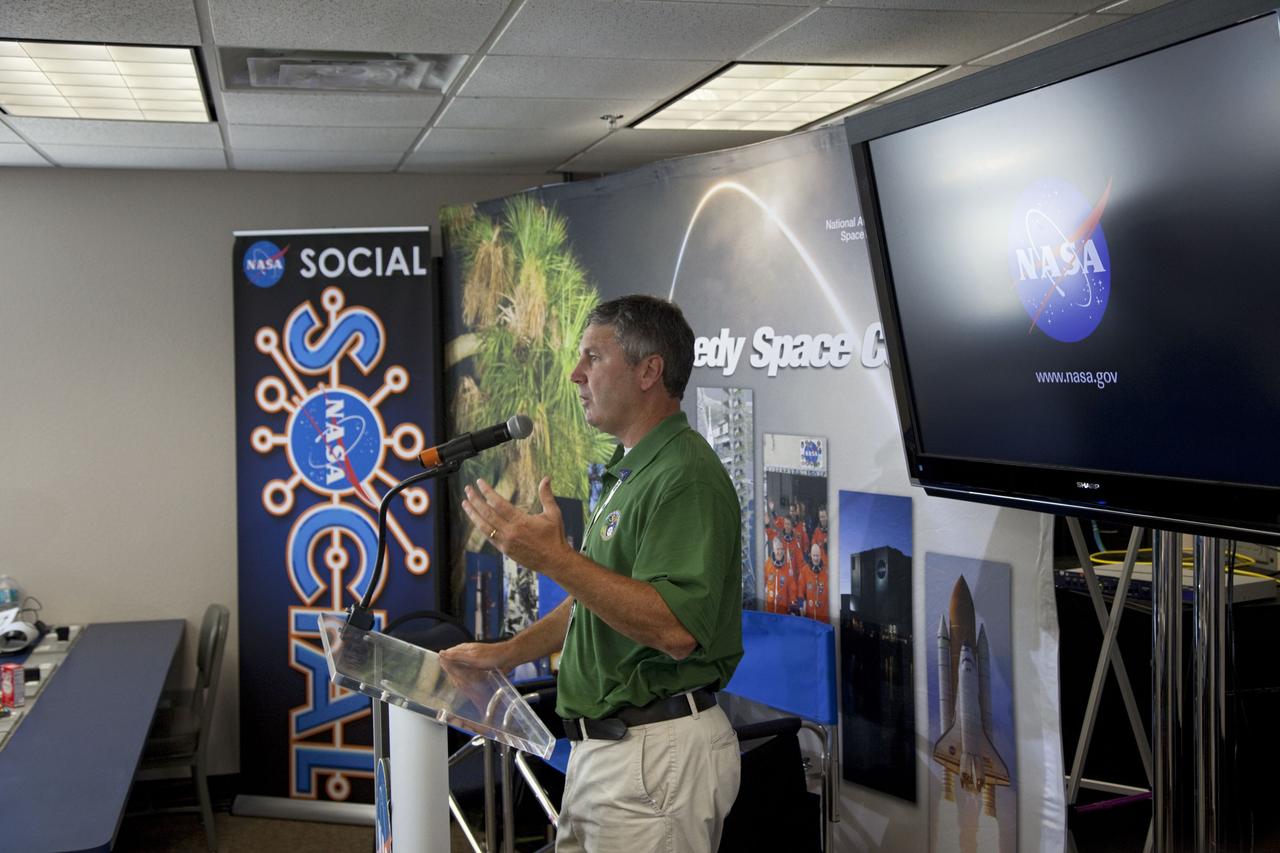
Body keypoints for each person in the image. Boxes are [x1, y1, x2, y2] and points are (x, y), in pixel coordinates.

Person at [440, 295, 743, 853]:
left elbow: (676, 631)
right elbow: (594, 600)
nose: (576, 375)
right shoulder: (632, 470)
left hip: (654, 759)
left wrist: (554, 560)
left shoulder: (684, 476)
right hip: (605, 752)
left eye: (592, 358)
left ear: (649, 370)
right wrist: (504, 654)